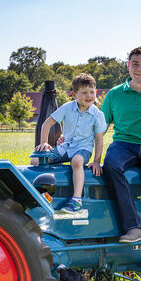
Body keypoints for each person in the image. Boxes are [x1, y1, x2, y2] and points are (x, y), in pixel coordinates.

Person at [102, 46, 141, 243]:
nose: (139, 69)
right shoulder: (114, 94)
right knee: (111, 166)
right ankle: (135, 228)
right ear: (128, 66)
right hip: (123, 144)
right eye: (135, 64)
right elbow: (99, 127)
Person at [35, 73, 107, 213]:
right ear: (74, 94)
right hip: (65, 147)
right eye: (84, 92)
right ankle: (42, 196)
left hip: (83, 148)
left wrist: (97, 161)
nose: (89, 96)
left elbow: (99, 139)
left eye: (92, 92)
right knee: (37, 161)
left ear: (96, 92)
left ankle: (76, 200)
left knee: (77, 161)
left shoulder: (98, 115)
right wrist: (44, 144)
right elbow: (47, 124)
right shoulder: (67, 107)